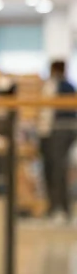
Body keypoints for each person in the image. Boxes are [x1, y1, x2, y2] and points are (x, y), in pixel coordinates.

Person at [40, 60, 76, 223]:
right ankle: (54, 206)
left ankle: (61, 208)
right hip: (49, 131)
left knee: (58, 171)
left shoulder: (64, 86)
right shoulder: (55, 85)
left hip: (60, 130)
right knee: (50, 170)